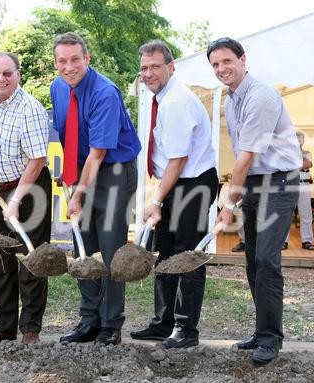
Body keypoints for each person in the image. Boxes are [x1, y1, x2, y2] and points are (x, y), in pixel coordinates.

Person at [207, 38, 301, 363]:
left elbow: (245, 157)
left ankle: (271, 339)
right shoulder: (232, 100)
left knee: (266, 260)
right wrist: (234, 196)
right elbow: (241, 159)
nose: (221, 69)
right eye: (215, 64)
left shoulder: (260, 96)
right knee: (251, 260)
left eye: (227, 61)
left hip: (279, 182)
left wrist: (228, 205)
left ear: (243, 59)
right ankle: (263, 332)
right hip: (256, 183)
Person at [50, 32, 141, 346]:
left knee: (111, 250)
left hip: (114, 172)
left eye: (75, 59)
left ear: (87, 59)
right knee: (83, 248)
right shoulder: (57, 88)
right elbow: (68, 137)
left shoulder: (105, 93)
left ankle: (111, 324)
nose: (69, 66)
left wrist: (79, 192)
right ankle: (89, 320)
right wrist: (69, 178)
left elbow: (98, 152)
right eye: (62, 61)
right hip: (82, 170)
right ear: (55, 63)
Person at [130, 40, 218, 349]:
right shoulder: (163, 98)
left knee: (186, 257)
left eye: (155, 66)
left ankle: (185, 329)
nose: (149, 73)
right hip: (175, 182)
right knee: (165, 253)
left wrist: (155, 201)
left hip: (192, 184)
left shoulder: (176, 101)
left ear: (171, 66)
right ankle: (163, 322)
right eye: (144, 68)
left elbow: (179, 160)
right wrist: (159, 198)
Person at [0, 52, 52, 344]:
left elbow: (37, 159)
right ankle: (4, 325)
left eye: (7, 73)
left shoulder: (30, 109)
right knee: (0, 257)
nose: (1, 79)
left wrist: (17, 198)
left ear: (19, 74)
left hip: (30, 187)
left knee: (30, 256)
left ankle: (30, 327)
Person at [295, 130, 314, 250]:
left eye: (301, 138)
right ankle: (284, 241)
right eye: (297, 138)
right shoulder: (287, 153)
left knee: (306, 213)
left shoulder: (307, 152)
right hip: (290, 184)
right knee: (286, 214)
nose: (299, 140)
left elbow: (309, 164)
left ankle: (307, 240)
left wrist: (295, 165)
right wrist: (300, 164)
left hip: (304, 184)